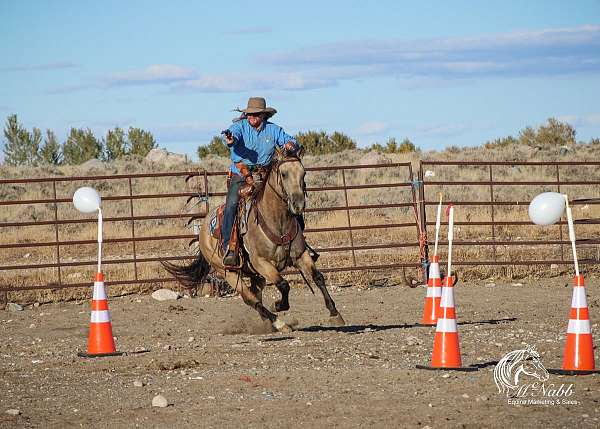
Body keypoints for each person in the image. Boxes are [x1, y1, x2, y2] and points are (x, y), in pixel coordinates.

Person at [220, 97, 300, 266]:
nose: (252, 117)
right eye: (249, 114)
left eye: (256, 114)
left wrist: (291, 145)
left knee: (290, 198)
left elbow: (290, 140)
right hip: (241, 174)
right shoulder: (240, 127)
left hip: (266, 174)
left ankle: (299, 244)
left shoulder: (273, 130)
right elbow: (232, 135)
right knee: (232, 205)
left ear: (264, 115)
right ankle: (229, 247)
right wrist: (230, 139)